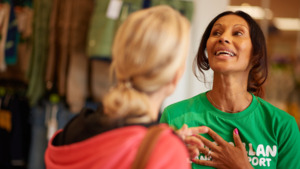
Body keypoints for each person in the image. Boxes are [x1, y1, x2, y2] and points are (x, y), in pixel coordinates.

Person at [44, 5, 208, 169]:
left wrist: (163, 144)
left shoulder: (74, 128)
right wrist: (167, 150)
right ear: (175, 76)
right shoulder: (165, 151)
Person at [160, 10, 300, 169]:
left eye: (238, 33)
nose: (223, 38)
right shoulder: (175, 117)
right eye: (216, 32)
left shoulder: (282, 126)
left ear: (256, 53)